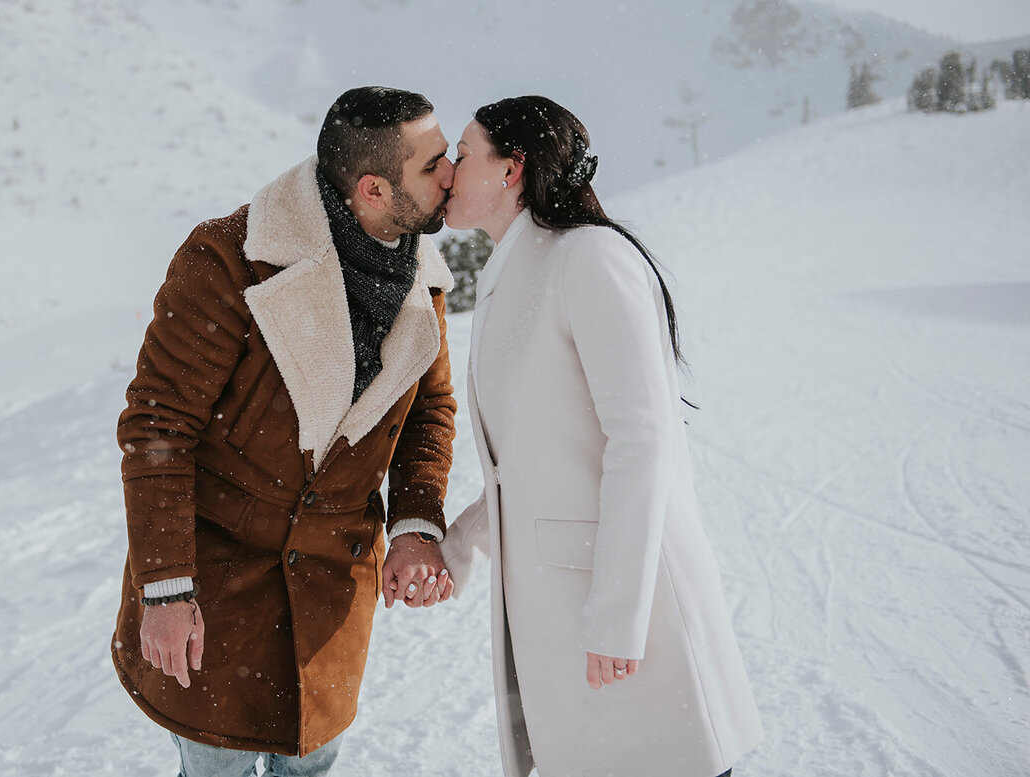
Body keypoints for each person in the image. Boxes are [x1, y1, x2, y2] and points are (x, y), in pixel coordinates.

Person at [111, 86, 460, 777]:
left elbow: (429, 410)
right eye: (434, 163)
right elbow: (158, 424)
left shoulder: (424, 278)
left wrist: (417, 520)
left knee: (311, 767)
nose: (451, 174)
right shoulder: (228, 260)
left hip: (334, 591)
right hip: (218, 589)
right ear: (373, 189)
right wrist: (167, 589)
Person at [439, 96, 764, 777]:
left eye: (464, 152)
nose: (448, 167)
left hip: (628, 623)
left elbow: (643, 440)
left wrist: (618, 616)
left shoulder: (590, 257)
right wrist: (459, 546)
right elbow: (527, 464)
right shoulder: (513, 275)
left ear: (512, 170)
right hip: (566, 620)